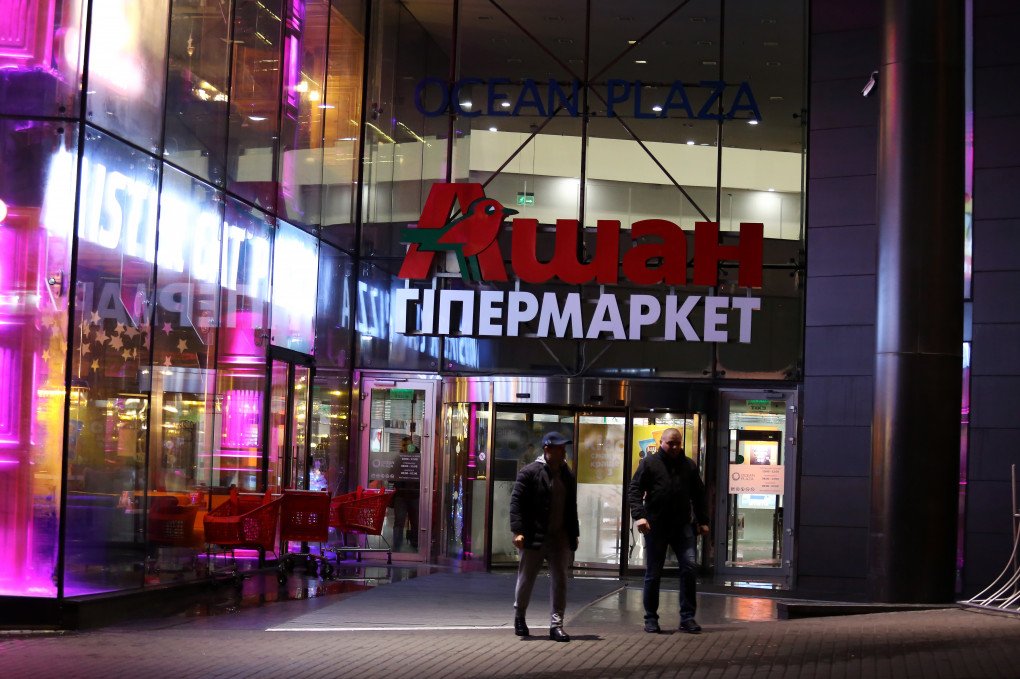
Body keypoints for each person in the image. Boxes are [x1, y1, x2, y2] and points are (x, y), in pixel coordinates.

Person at [628, 427, 710, 634]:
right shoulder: (649, 463)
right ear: (662, 442)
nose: (674, 447)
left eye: (677, 443)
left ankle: (687, 617)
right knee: (653, 573)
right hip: (656, 525)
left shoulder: (688, 466)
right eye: (670, 443)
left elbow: (699, 495)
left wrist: (703, 520)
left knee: (689, 568)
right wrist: (640, 516)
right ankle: (651, 618)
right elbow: (634, 489)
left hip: (683, 525)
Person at [509, 431, 580, 642]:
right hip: (534, 535)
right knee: (526, 579)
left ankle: (556, 624)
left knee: (560, 581)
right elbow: (516, 504)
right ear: (547, 449)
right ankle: (519, 616)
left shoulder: (568, 474)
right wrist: (517, 531)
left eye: (564, 448)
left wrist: (573, 534)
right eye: (559, 448)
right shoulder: (530, 472)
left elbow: (571, 508)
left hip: (560, 538)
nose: (563, 451)